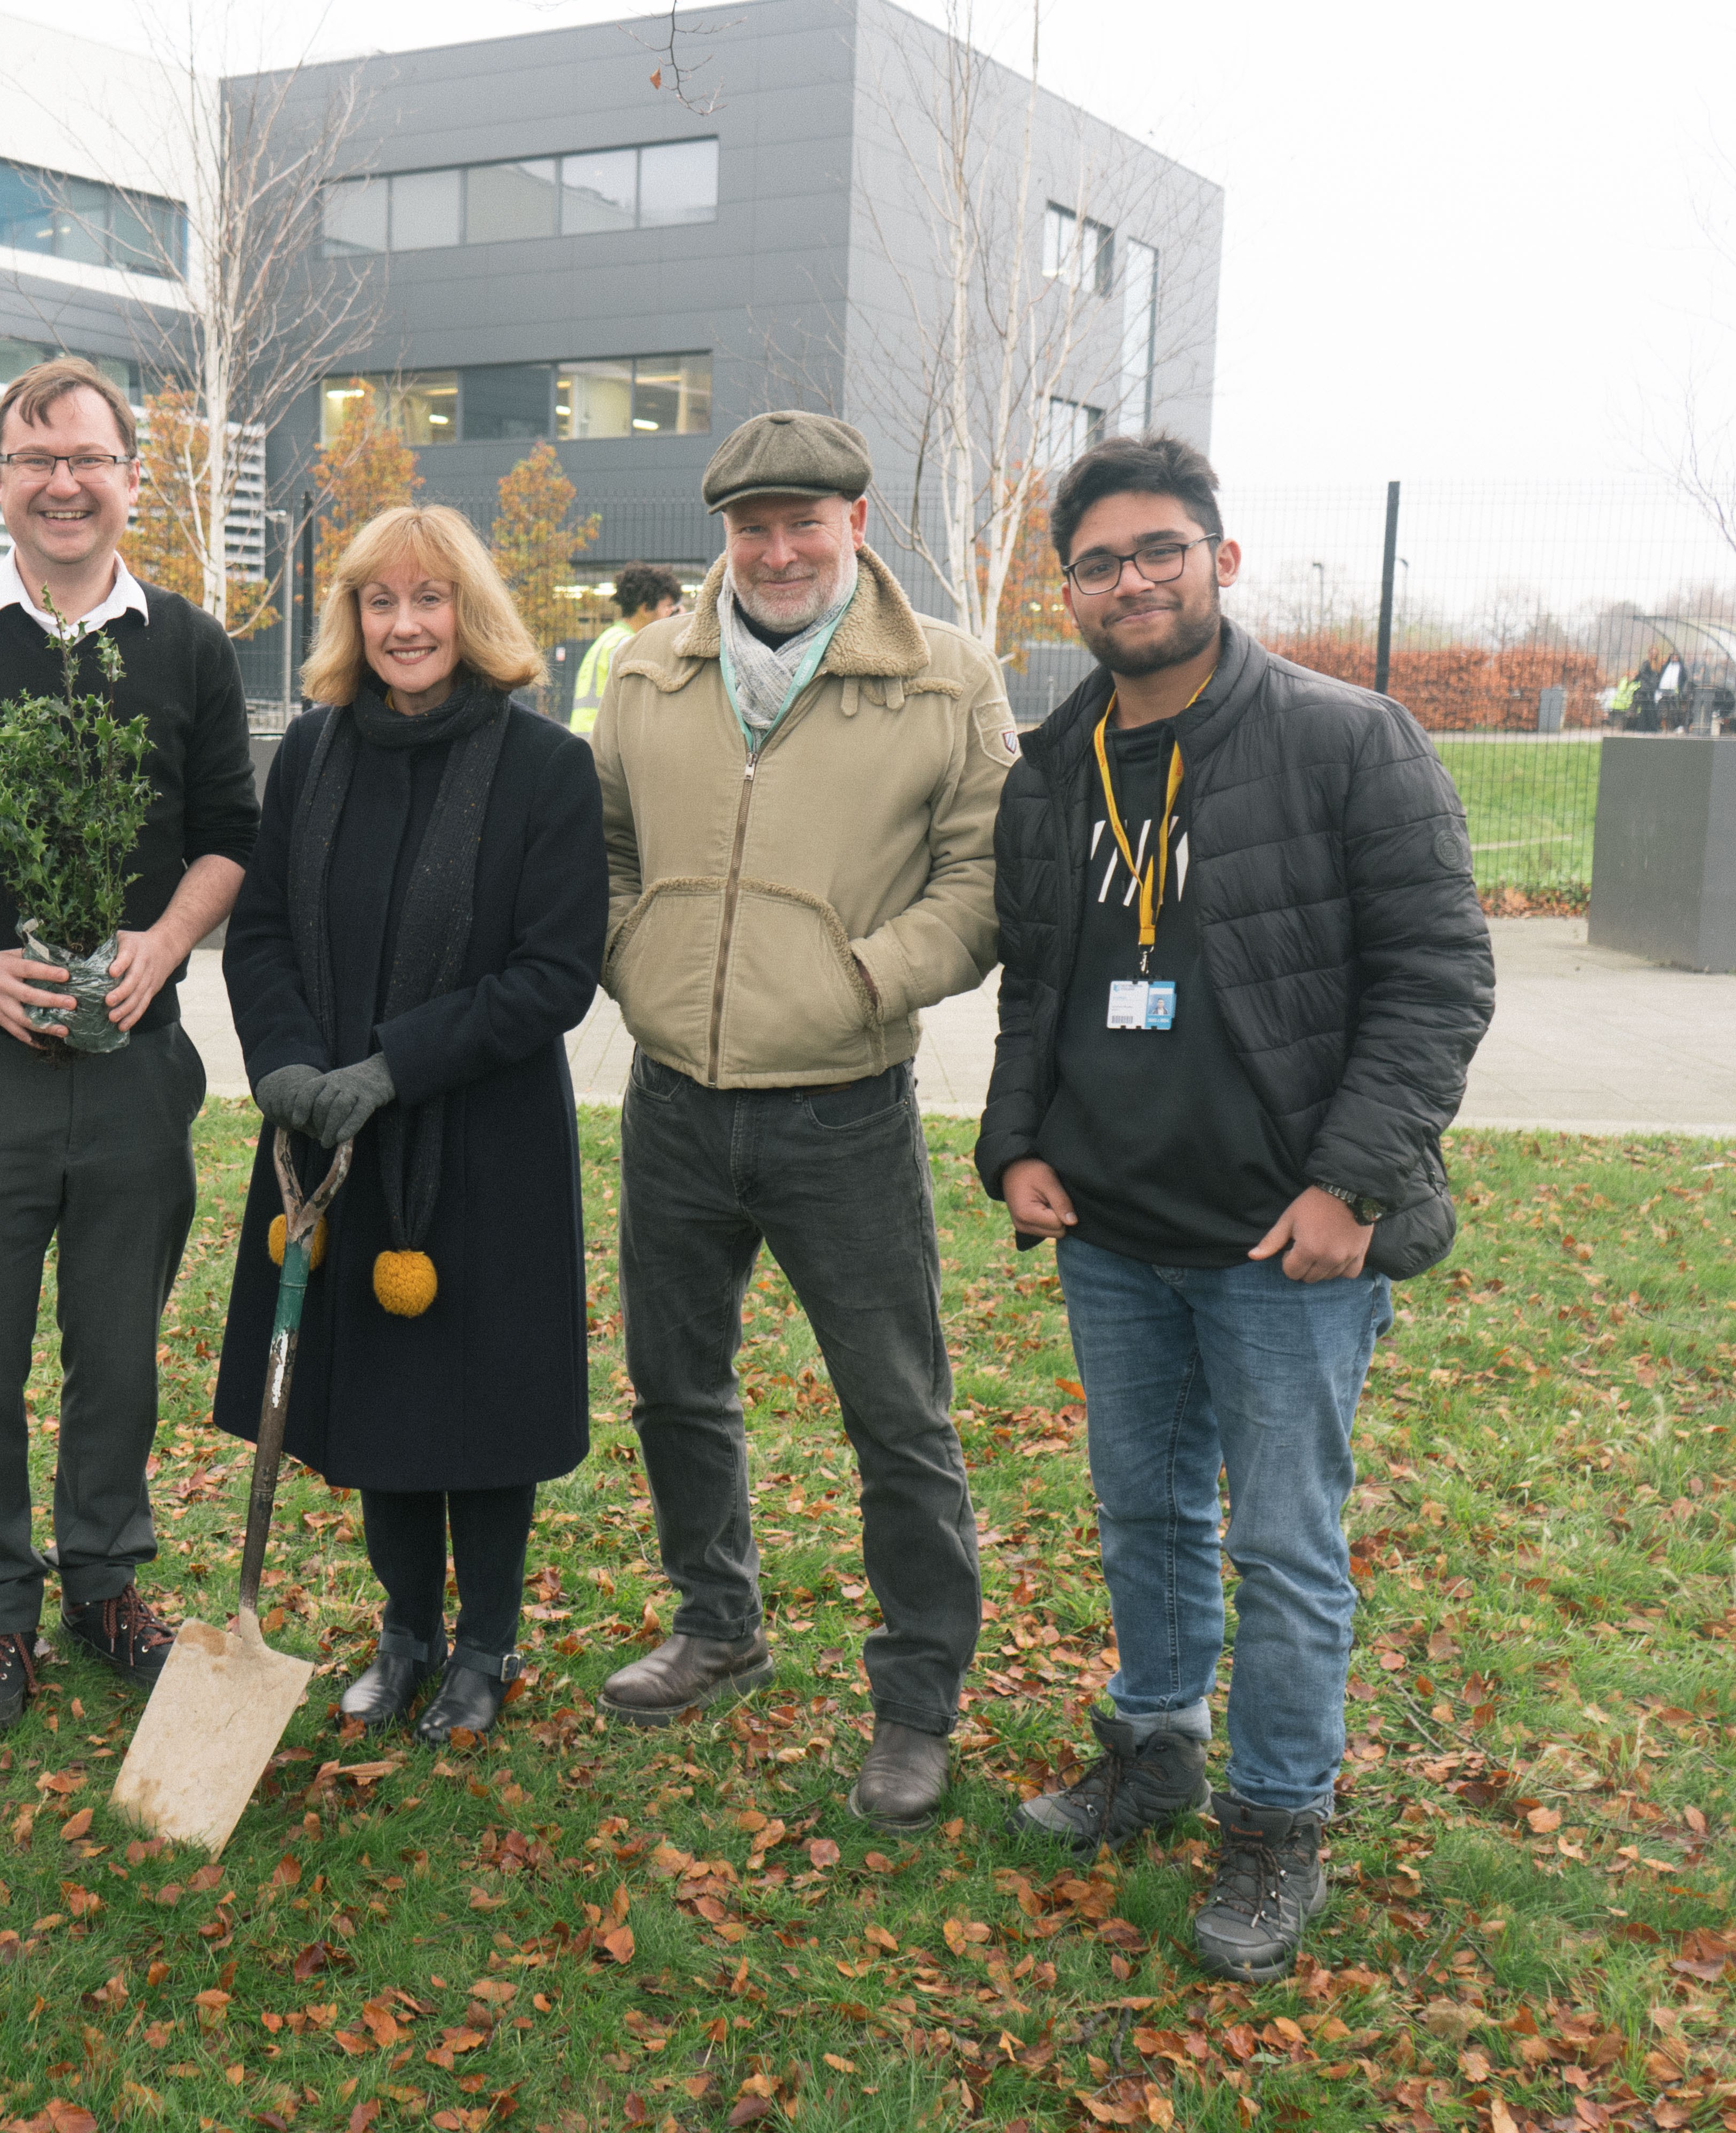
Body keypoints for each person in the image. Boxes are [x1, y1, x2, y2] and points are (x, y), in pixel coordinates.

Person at [978, 432, 1492, 1984]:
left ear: (1220, 558)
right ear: (1063, 588)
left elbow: (1435, 981)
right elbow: (1036, 989)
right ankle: (1153, 1748)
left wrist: (1350, 1184)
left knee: (1281, 1543)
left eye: (1158, 550)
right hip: (1115, 1233)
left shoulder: (1350, 742)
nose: (1129, 580)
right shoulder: (1051, 766)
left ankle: (1275, 1816)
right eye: (1097, 561)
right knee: (1142, 1513)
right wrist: (1013, 1144)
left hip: (1288, 1247)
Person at [591, 410, 1012, 1832]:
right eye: (752, 525)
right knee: (676, 1386)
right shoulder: (650, 673)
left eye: (804, 522)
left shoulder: (945, 681)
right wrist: (636, 959)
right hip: (675, 1105)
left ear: (858, 521)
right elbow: (602, 850)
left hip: (843, 1111)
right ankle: (718, 1622)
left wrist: (864, 983)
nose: (777, 550)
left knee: (897, 1413)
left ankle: (916, 1699)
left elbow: (979, 880)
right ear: (726, 534)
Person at [0, 356, 260, 1734]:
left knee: (120, 1350)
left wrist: (165, 943)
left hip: (137, 1066)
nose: (63, 483)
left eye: (87, 458)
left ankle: (106, 1581)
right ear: (3, 480)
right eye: (35, 459)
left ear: (131, 477)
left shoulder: (189, 645)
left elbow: (227, 840)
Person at [214, 505, 605, 1745]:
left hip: (484, 1147)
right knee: (378, 1401)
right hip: (333, 1138)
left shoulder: (545, 768)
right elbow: (263, 926)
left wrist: (394, 1066)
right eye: (380, 602)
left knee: (479, 1410)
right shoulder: (316, 755)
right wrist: (285, 1063)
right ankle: (405, 1632)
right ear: (354, 619)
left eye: (429, 599)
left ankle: (485, 1642)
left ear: (471, 612)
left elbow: (557, 971)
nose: (405, 625)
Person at [569, 564, 684, 736]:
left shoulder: (610, 639)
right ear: (645, 608)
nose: (671, 613)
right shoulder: (629, 645)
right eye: (668, 607)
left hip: (590, 744)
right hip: (604, 747)